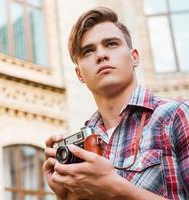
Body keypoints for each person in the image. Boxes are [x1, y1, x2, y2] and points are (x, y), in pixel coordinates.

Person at [43, 6, 189, 200]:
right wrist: (65, 196)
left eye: (111, 44)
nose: (101, 55)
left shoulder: (177, 115)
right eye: (88, 51)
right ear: (79, 74)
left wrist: (117, 189)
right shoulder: (82, 144)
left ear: (134, 57)